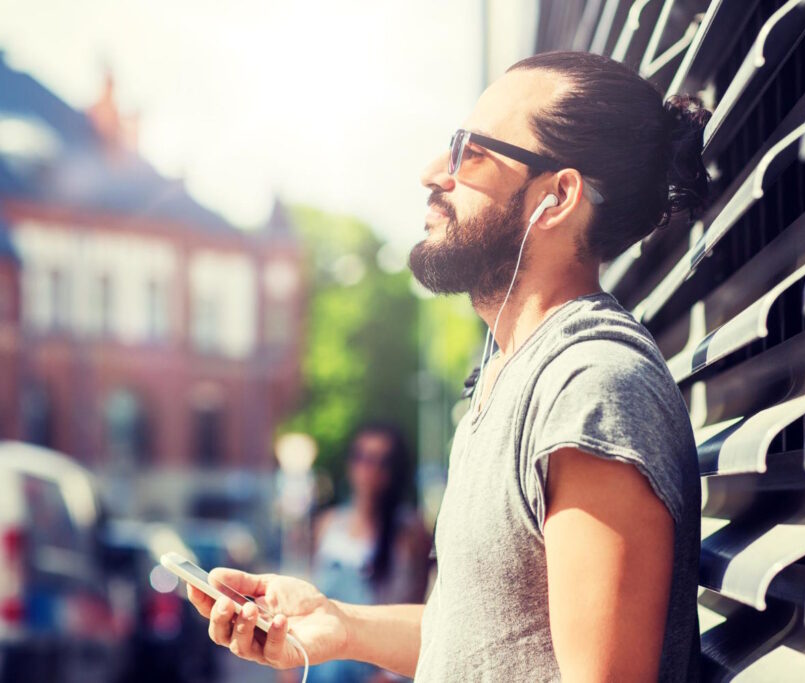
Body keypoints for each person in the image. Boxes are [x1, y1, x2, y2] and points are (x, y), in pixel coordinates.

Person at [187, 51, 707, 681]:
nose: (434, 172)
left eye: (471, 152)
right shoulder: (509, 374)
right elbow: (486, 638)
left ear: (556, 198)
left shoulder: (593, 385)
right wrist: (341, 625)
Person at [307, 423, 430, 683]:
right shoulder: (328, 524)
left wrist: (390, 676)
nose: (369, 469)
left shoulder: (409, 531)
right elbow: (315, 593)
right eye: (361, 457)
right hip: (321, 663)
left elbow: (415, 610)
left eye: (381, 461)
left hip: (374, 667)